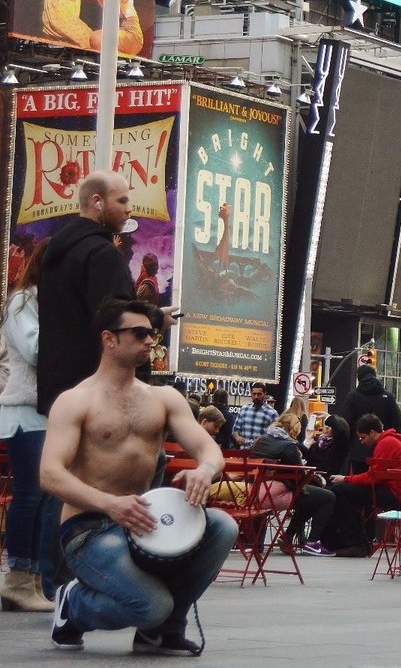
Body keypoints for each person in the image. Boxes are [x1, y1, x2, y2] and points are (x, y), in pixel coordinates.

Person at [39, 299, 236, 656]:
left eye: (153, 333)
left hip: (143, 520)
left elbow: (209, 450)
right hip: (88, 528)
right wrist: (110, 503)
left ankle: (162, 632)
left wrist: (205, 470)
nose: (150, 341)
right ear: (109, 339)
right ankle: (73, 605)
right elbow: (50, 475)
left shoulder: (163, 398)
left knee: (223, 526)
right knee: (150, 606)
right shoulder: (75, 401)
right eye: (140, 333)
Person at [38, 170, 178, 416]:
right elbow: (116, 318)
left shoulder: (57, 253)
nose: (129, 210)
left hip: (58, 396)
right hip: (100, 396)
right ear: (97, 202)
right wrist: (155, 318)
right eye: (122, 200)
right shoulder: (103, 255)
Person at [0, 240, 54, 612]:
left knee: (43, 497)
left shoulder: (50, 301)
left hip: (48, 409)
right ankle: (17, 578)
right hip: (24, 408)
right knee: (30, 495)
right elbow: (34, 350)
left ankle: (31, 578)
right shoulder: (22, 301)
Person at [316, 414, 401, 557]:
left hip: (396, 494)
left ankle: (355, 542)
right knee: (348, 493)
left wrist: (345, 479)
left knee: (340, 491)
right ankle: (358, 539)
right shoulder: (390, 441)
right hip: (398, 491)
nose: (361, 442)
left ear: (372, 432)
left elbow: (372, 478)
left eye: (363, 437)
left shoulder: (385, 443)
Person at [249, 413, 336, 557]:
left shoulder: (261, 440)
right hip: (274, 494)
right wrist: (318, 481)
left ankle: (287, 536)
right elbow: (299, 479)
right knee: (326, 497)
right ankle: (312, 543)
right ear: (294, 428)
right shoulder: (289, 447)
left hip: (255, 491)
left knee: (309, 497)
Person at [341, 364, 401, 434]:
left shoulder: (352, 397)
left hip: (357, 442)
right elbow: (397, 424)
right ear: (375, 376)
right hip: (384, 441)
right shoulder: (388, 397)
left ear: (359, 378)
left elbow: (345, 425)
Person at [303, 414, 354, 478]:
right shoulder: (315, 444)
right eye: (326, 425)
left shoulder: (339, 446)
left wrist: (327, 416)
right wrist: (307, 441)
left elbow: (342, 432)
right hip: (313, 479)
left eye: (330, 426)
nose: (326, 427)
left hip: (330, 481)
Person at [232, 382, 278, 448]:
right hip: (244, 452)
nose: (256, 397)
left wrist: (262, 440)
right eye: (254, 394)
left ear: (264, 394)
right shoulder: (244, 409)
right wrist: (237, 438)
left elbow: (275, 435)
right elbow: (235, 429)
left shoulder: (272, 413)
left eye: (259, 394)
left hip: (262, 452)